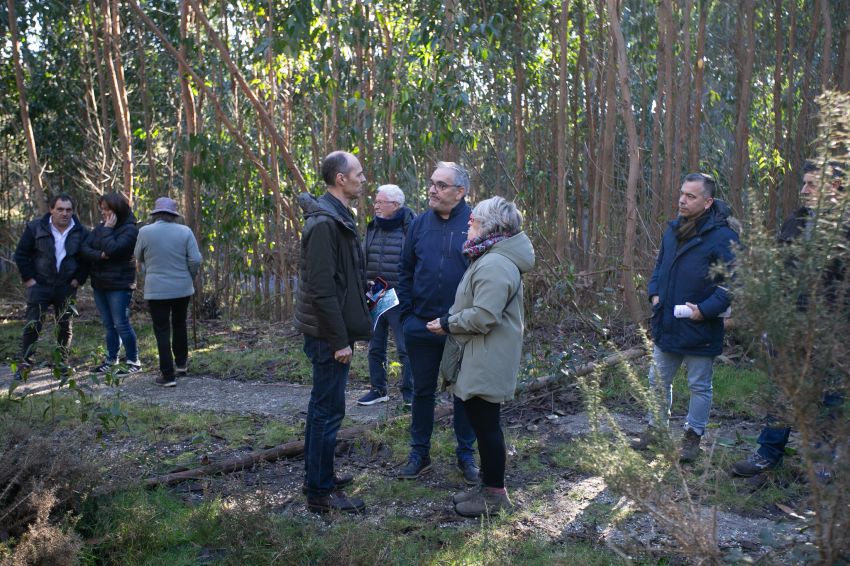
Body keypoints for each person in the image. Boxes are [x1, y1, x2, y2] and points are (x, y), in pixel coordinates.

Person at [731, 160, 846, 477]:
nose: (804, 190)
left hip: (832, 331)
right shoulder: (795, 221)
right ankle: (768, 454)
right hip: (789, 325)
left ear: (834, 187)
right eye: (804, 183)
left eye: (812, 184)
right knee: (782, 392)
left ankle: (825, 461)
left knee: (830, 396)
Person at [426, 196, 535, 517]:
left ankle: (495, 495)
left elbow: (485, 315)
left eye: (472, 222)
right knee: (483, 423)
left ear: (489, 227)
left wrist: (447, 323)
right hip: (480, 353)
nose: (466, 227)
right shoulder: (490, 257)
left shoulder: (496, 263)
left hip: (487, 356)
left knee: (486, 427)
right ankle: (487, 486)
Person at [631, 173, 739, 462]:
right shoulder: (674, 229)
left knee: (699, 386)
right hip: (667, 322)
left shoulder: (724, 237)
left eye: (691, 196)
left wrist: (704, 311)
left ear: (708, 201)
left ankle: (693, 437)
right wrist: (654, 294)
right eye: (682, 193)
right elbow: (659, 267)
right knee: (657, 380)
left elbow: (731, 285)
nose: (682, 199)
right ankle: (655, 429)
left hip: (700, 327)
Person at [293, 151, 372, 514]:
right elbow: (321, 288)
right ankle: (320, 493)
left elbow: (342, 277)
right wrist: (339, 341)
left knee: (322, 408)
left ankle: (318, 478)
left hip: (333, 329)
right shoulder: (324, 223)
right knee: (328, 412)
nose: (362, 178)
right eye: (357, 173)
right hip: (328, 335)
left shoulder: (338, 217)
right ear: (340, 179)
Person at [396, 161, 479, 484]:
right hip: (421, 325)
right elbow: (404, 271)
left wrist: (467, 320)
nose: (432, 189)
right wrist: (408, 316)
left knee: (465, 393)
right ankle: (420, 454)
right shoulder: (418, 224)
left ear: (460, 192)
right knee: (421, 392)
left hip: (460, 327)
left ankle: (466, 454)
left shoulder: (476, 223)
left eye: (441, 185)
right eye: (432, 183)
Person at [13, 194, 90, 380]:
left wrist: (78, 280)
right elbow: (21, 254)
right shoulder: (35, 228)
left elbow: (86, 259)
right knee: (33, 326)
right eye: (60, 209)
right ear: (51, 210)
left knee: (65, 326)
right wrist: (29, 279)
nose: (65, 213)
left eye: (68, 210)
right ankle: (25, 364)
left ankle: (62, 364)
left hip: (66, 286)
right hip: (40, 285)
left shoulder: (81, 232)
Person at [133, 197, 201, 388]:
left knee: (162, 329)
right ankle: (181, 364)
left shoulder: (145, 231)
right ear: (173, 215)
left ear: (155, 214)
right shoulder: (185, 231)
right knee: (179, 324)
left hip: (156, 290)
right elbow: (195, 259)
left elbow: (138, 255)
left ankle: (168, 374)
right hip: (182, 288)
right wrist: (189, 275)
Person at [358, 184, 415, 407]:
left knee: (405, 348)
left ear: (396, 205)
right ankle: (378, 389)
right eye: (376, 202)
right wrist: (363, 282)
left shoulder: (411, 225)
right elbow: (363, 256)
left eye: (381, 202)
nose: (376, 206)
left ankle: (410, 394)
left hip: (400, 294)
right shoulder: (373, 226)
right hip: (376, 292)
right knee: (375, 345)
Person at [81, 192, 142, 374]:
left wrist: (107, 231)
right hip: (100, 282)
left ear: (117, 209)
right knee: (108, 324)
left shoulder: (131, 229)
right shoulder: (101, 227)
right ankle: (111, 360)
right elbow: (84, 248)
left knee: (121, 323)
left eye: (106, 209)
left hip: (119, 284)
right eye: (101, 209)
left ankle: (133, 361)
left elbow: (114, 250)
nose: (103, 213)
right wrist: (100, 255)